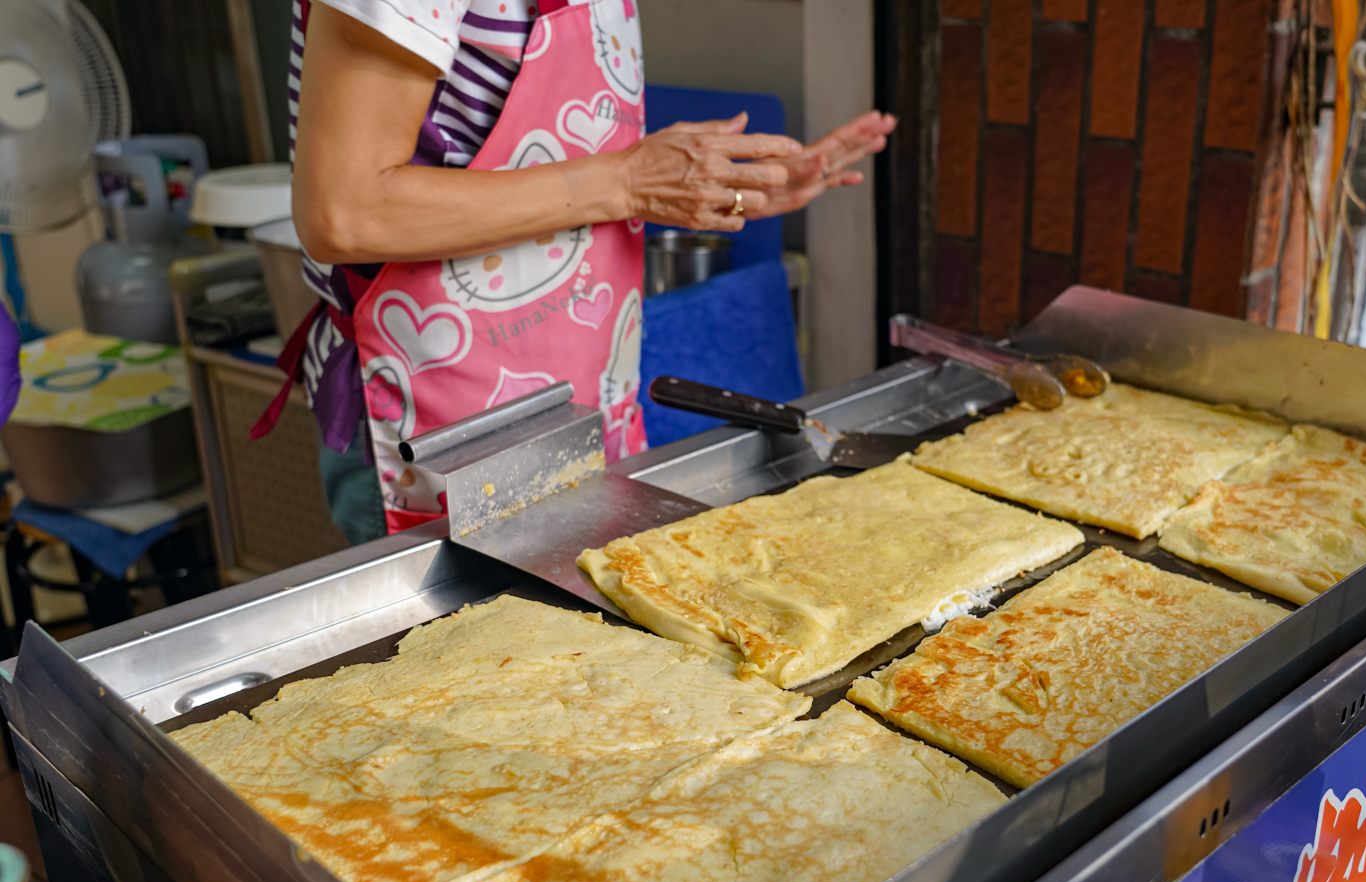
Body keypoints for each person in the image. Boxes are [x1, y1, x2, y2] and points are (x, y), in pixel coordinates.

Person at [256, 0, 894, 544]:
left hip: (587, 395)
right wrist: (627, 181)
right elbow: (344, 210)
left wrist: (726, 188)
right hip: (440, 422)